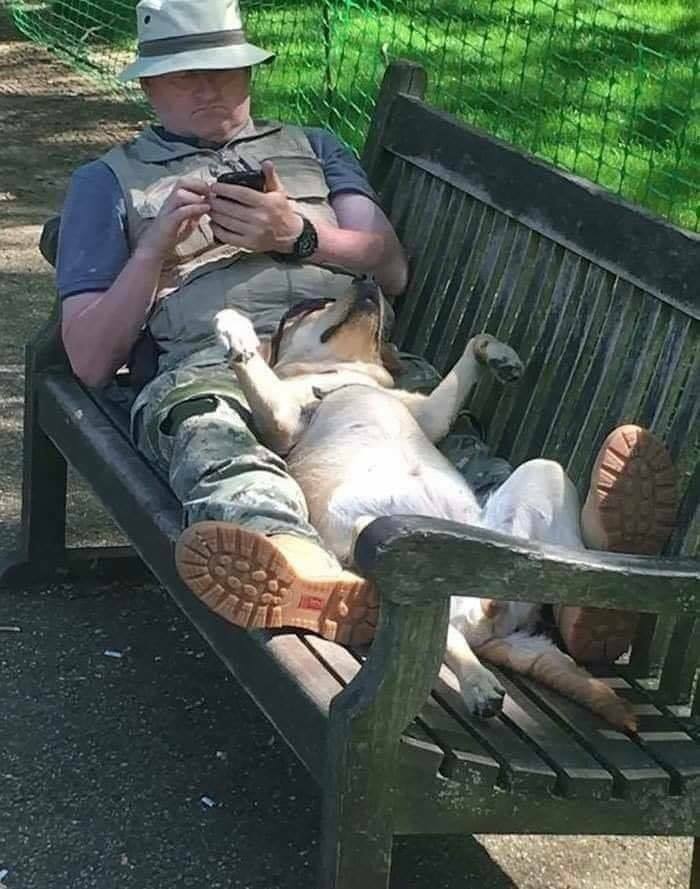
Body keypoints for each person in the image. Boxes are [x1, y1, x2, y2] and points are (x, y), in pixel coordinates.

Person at [55, 0, 677, 659]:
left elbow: (390, 264)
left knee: (456, 461)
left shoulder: (315, 147)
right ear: (150, 86)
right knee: (220, 449)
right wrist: (153, 249)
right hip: (212, 366)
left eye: (223, 68)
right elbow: (91, 358)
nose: (208, 87)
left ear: (249, 72)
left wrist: (296, 234)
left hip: (357, 358)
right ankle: (306, 573)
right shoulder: (106, 183)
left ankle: (576, 585)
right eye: (185, 75)